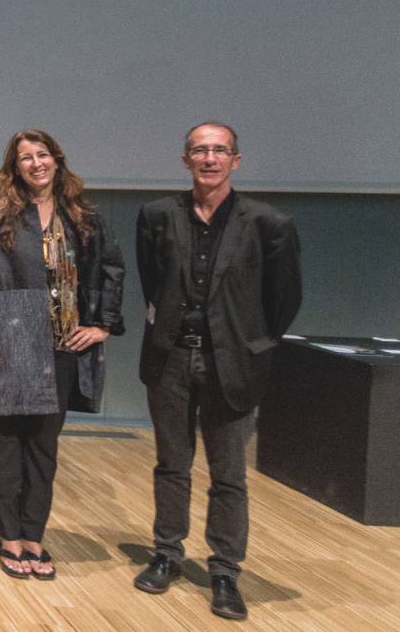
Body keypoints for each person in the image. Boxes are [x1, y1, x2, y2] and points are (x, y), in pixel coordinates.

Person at [132, 122, 301, 621]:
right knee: (171, 464)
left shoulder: (268, 223)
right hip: (170, 359)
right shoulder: (158, 216)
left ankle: (225, 570)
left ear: (236, 160)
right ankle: (166, 553)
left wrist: (251, 344)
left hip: (231, 363)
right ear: (185, 159)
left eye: (220, 150)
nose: (210, 158)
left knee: (229, 475)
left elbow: (284, 298)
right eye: (200, 150)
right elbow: (152, 280)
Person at [0, 129, 124, 580]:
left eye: (42, 154)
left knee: (43, 445)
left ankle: (34, 535)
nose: (36, 163)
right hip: (10, 339)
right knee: (4, 445)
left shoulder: (83, 216)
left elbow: (112, 269)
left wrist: (103, 325)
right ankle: (9, 535)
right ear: (14, 167)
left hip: (62, 346)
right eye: (25, 158)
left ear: (57, 158)